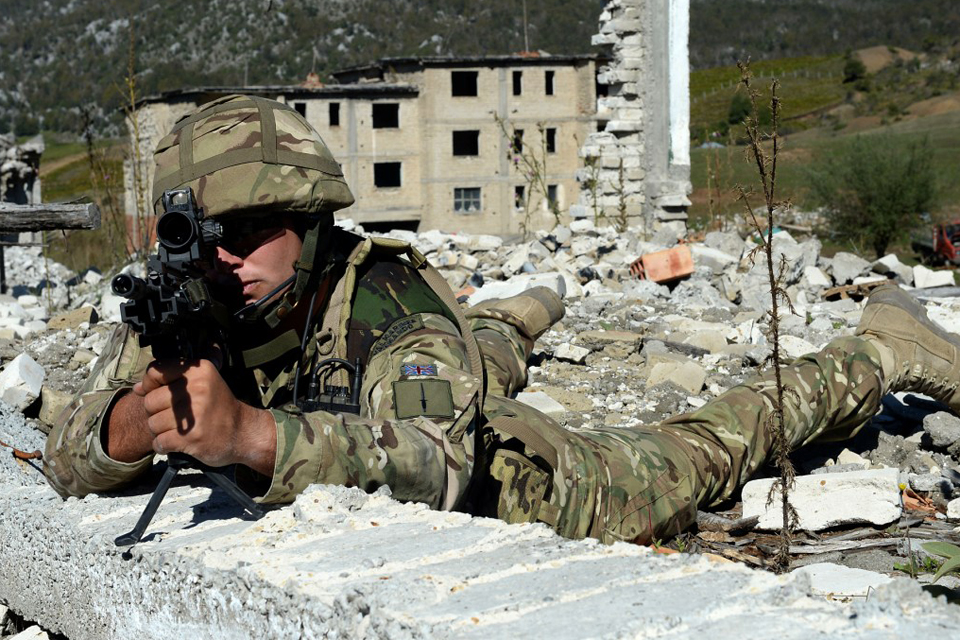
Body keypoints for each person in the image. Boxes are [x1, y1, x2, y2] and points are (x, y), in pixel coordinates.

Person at [42, 95, 960, 544]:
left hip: (531, 483)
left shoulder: (386, 300)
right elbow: (64, 447)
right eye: (203, 236)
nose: (223, 258)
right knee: (473, 353)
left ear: (314, 224)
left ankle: (880, 348)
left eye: (249, 232)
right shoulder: (190, 295)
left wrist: (249, 437)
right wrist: (126, 430)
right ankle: (506, 327)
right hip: (441, 383)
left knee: (718, 443)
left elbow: (439, 469)